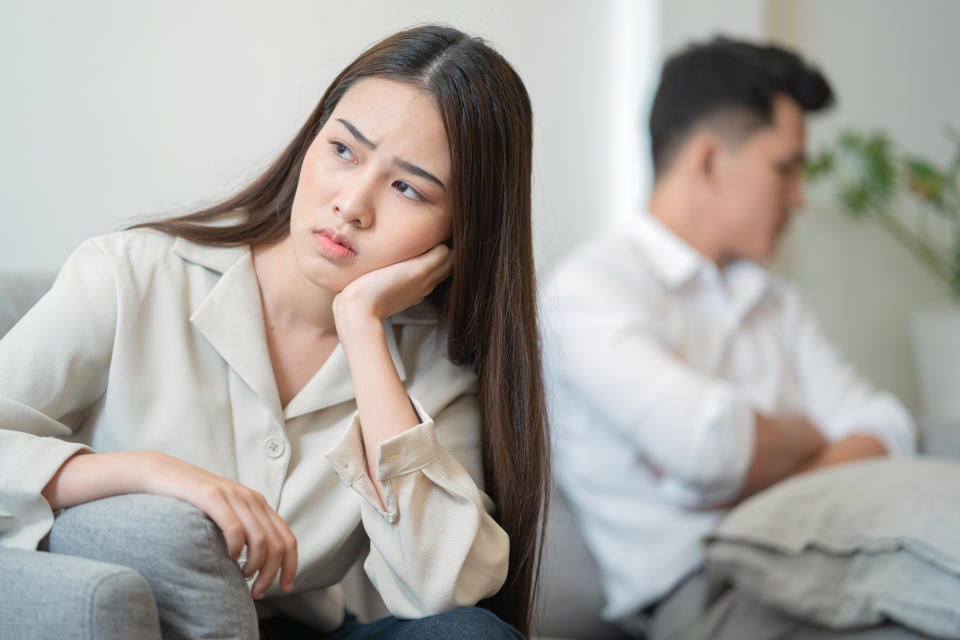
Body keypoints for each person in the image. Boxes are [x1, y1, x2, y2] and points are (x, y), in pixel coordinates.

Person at [0, 24, 549, 639]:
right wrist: (147, 472)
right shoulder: (131, 275)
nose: (352, 204)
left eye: (407, 188)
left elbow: (445, 589)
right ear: (311, 141)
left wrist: (362, 329)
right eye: (344, 150)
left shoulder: (435, 363)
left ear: (459, 229)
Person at [541, 37, 917, 638]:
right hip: (703, 591)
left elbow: (889, 426)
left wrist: (759, 465)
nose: (799, 197)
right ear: (710, 160)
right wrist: (815, 432)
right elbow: (711, 448)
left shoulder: (776, 299)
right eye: (785, 168)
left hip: (822, 554)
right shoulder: (589, 289)